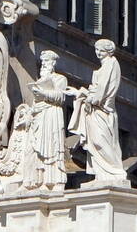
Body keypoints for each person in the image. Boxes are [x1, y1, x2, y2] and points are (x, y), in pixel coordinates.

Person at [68, 39, 129, 187]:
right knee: (96, 142)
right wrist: (79, 93)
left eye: (101, 50)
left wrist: (89, 99)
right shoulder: (105, 66)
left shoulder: (110, 64)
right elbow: (96, 90)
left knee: (100, 141)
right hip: (96, 110)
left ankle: (114, 171)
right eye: (97, 50)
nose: (98, 53)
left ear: (108, 51)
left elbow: (101, 91)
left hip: (102, 110)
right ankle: (103, 173)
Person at [22, 50, 70, 190]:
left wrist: (43, 92)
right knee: (33, 149)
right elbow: (35, 102)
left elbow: (61, 97)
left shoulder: (60, 79)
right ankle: (35, 181)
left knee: (50, 147)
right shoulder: (39, 81)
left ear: (53, 63)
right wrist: (29, 116)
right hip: (38, 115)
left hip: (51, 114)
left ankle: (51, 181)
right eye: (42, 61)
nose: (44, 64)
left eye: (47, 61)